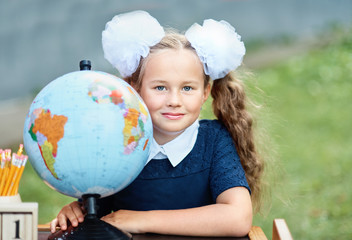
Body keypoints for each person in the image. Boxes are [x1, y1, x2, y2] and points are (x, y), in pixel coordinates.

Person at [50, 10, 264, 237]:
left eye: (187, 88)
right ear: (133, 89)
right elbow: (98, 212)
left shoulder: (214, 141)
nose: (174, 101)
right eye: (160, 87)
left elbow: (238, 217)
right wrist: (76, 211)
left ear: (205, 93)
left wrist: (140, 220)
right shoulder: (118, 145)